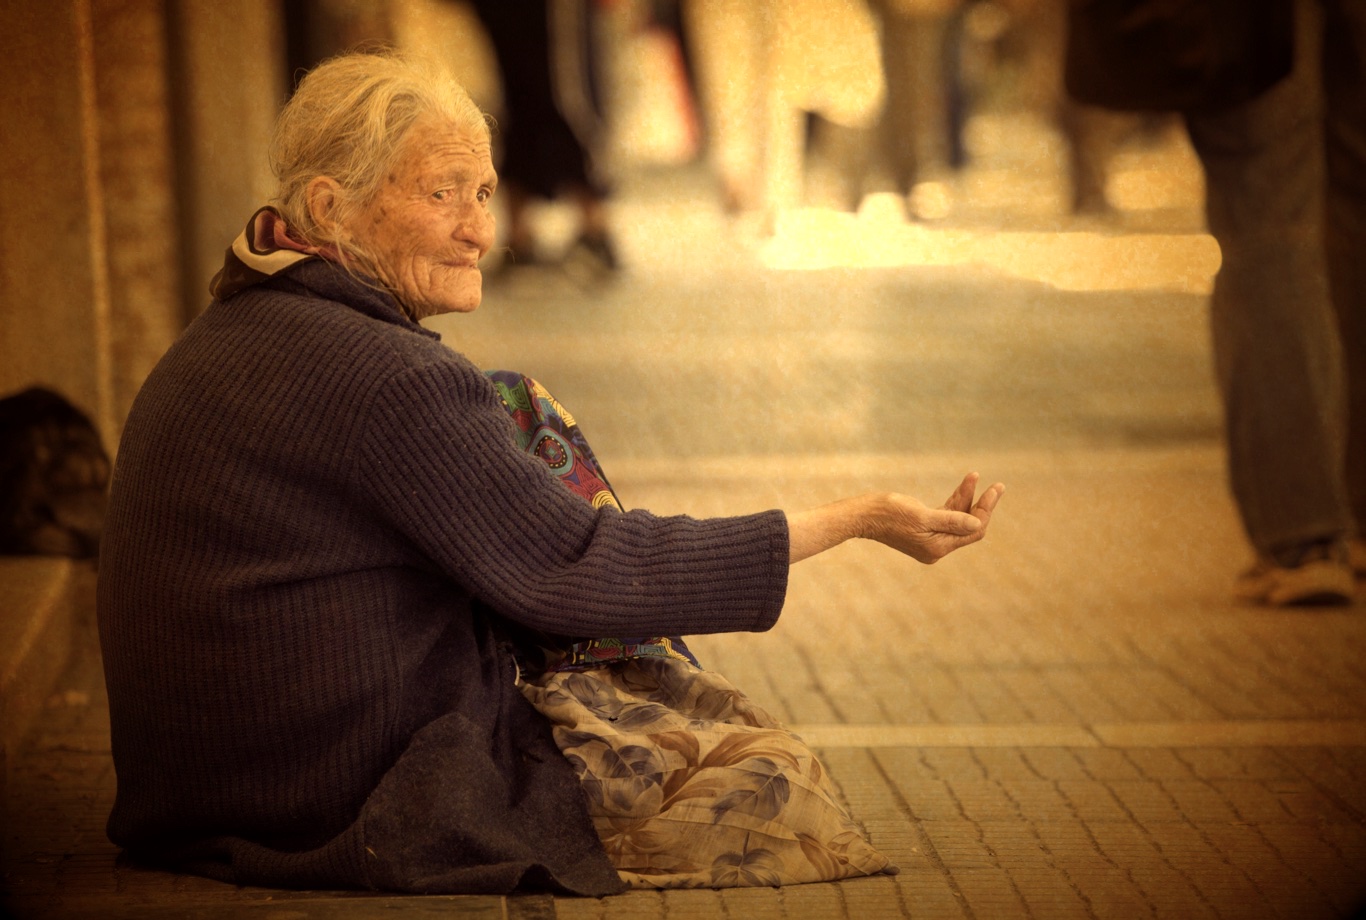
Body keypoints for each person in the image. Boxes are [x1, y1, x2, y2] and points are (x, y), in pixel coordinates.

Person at [96, 50, 1004, 896]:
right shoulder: (390, 379)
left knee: (509, 405)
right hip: (331, 787)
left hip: (206, 782)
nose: (478, 231)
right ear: (331, 208)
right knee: (773, 782)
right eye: (443, 194)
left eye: (485, 193)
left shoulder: (235, 321)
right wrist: (856, 520)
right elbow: (586, 569)